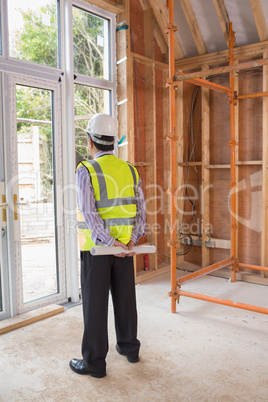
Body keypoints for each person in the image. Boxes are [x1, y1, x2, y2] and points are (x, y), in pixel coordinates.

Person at [70, 113, 146, 378]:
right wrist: (131, 240)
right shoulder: (130, 170)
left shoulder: (86, 170)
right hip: (125, 249)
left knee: (95, 304)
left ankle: (94, 363)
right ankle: (129, 348)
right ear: (114, 142)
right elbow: (140, 211)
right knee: (125, 299)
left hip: (98, 250)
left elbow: (89, 213)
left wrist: (108, 241)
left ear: (90, 142)